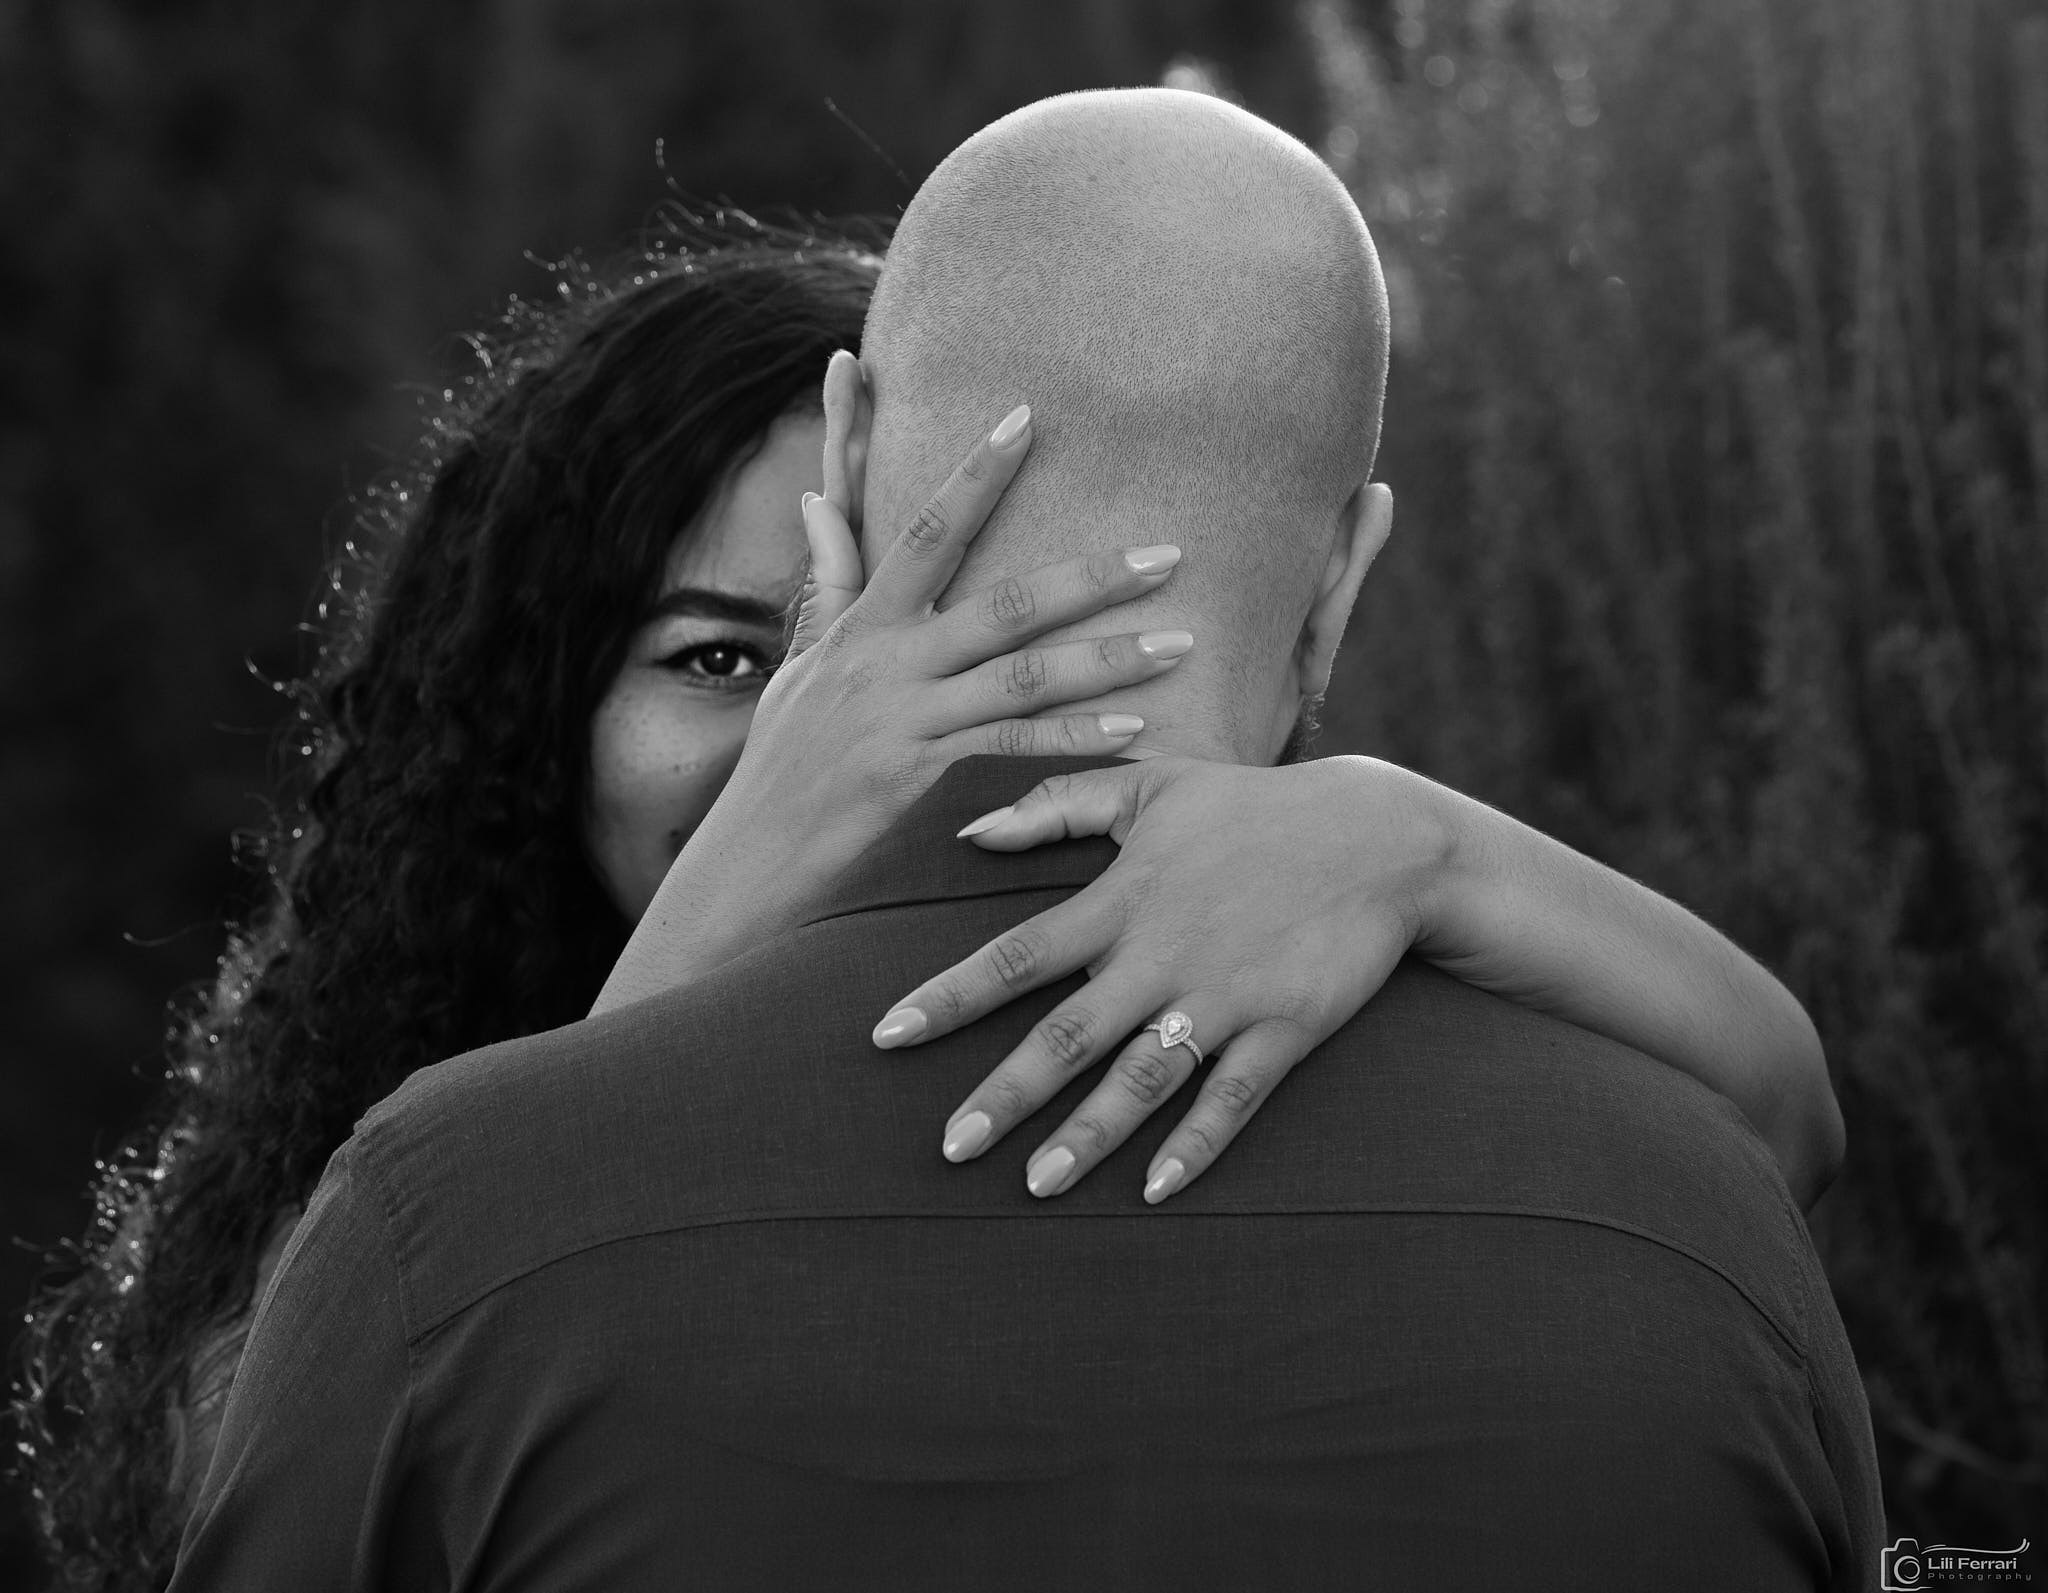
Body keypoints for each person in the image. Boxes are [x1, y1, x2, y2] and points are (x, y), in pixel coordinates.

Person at [166, 89, 1882, 1591]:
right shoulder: (1699, 1241)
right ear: (1344, 576)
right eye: (714, 661)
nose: (791, 737)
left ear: (852, 458)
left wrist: (1412, 840)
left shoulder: (440, 1238)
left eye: (799, 645)